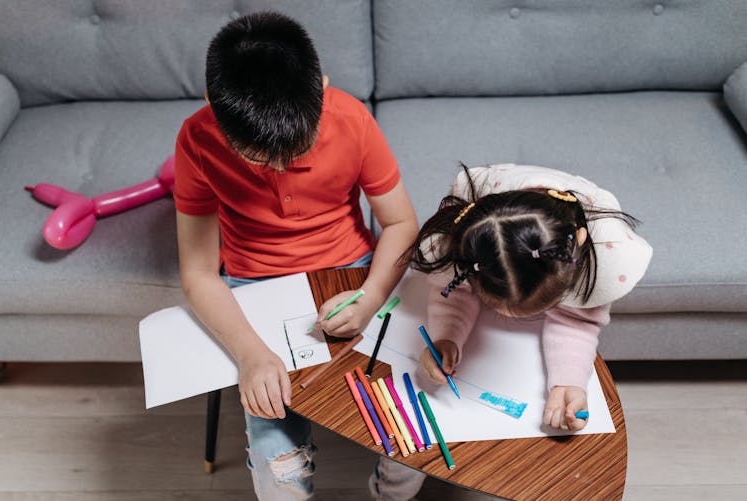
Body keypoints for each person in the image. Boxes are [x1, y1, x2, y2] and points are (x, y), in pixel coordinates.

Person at [173, 11, 418, 500]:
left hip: (350, 273)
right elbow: (199, 272)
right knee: (278, 467)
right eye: (262, 159)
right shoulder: (197, 140)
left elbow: (401, 223)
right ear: (212, 107)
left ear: (322, 90)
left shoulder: (351, 119)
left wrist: (369, 299)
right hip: (252, 286)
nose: (281, 168)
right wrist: (250, 354)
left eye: (296, 149)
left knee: (412, 438)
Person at [373, 162, 652, 499]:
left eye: (540, 307)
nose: (504, 317)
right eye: (493, 302)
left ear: (577, 248)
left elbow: (577, 319)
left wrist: (568, 381)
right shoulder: (463, 243)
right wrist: (446, 336)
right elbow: (452, 292)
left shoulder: (599, 258)